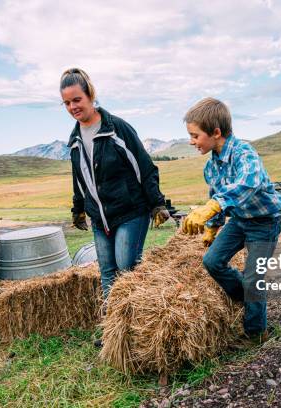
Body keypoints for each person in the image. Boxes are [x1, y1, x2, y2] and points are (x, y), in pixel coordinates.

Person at [61, 68, 169, 302]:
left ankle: (138, 321)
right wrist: (78, 210)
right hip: (100, 218)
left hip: (130, 211)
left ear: (90, 94)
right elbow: (79, 180)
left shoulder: (116, 129)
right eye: (67, 103)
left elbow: (144, 166)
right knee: (107, 272)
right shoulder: (75, 140)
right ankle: (114, 330)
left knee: (126, 266)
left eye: (77, 99)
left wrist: (157, 204)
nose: (73, 107)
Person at [182, 97, 281, 343]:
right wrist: (212, 227)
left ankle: (256, 332)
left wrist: (214, 205)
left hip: (264, 222)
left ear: (215, 132)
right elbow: (215, 196)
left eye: (195, 136)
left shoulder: (244, 152)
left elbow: (249, 183)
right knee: (212, 261)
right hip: (239, 221)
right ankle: (249, 301)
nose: (191, 141)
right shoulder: (211, 166)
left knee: (253, 277)